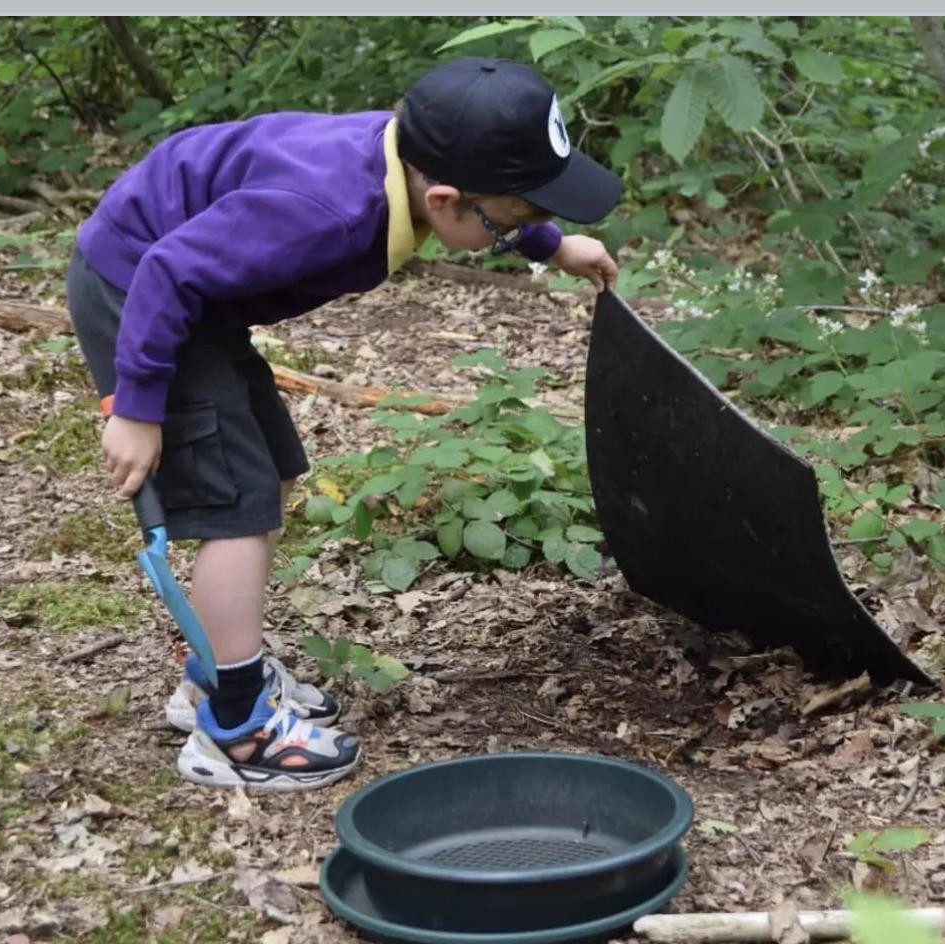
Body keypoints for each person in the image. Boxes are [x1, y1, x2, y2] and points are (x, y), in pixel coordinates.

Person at [65, 57, 623, 792]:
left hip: (195, 299)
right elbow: (169, 270)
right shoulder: (324, 210)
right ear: (444, 198)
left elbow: (479, 206)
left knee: (270, 471)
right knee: (236, 509)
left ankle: (218, 670)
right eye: (517, 222)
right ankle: (235, 727)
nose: (522, 229)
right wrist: (137, 407)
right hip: (141, 292)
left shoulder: (404, 165)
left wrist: (551, 245)